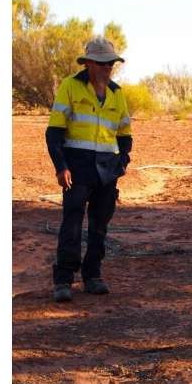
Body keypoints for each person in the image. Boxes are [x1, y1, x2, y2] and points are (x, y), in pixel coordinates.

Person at [45, 36, 133, 302]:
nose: (108, 68)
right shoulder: (70, 87)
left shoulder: (117, 94)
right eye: (103, 63)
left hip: (107, 169)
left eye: (112, 63)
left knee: (99, 225)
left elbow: (125, 135)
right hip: (77, 166)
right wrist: (61, 167)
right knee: (71, 223)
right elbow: (54, 132)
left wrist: (122, 164)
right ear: (89, 63)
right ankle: (63, 280)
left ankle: (92, 276)